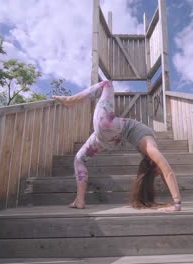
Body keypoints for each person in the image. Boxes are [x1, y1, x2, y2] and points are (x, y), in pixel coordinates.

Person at [53, 80, 181, 212]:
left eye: (156, 171)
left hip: (108, 126)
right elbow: (165, 174)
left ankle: (71, 100)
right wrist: (174, 200)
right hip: (108, 138)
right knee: (79, 159)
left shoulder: (150, 148)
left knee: (106, 84)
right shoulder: (149, 157)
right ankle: (80, 200)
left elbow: (168, 173)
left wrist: (177, 203)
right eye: (158, 171)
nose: (159, 171)